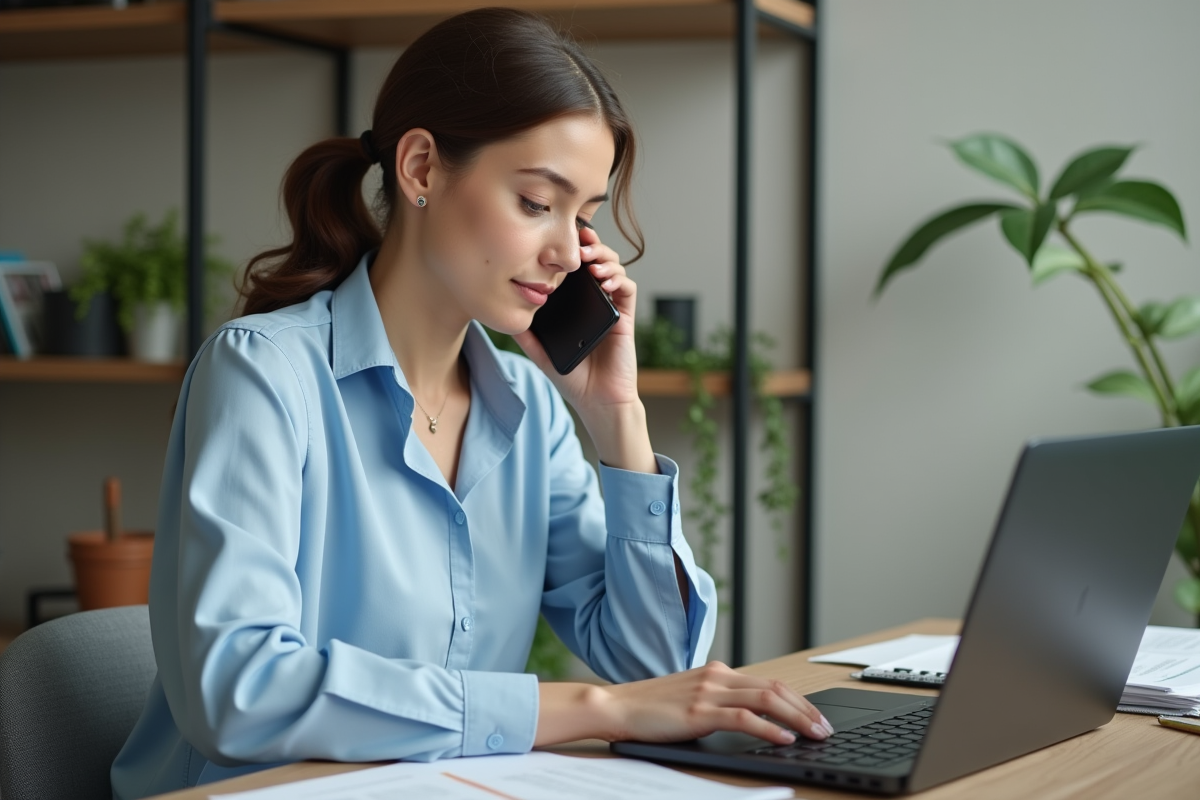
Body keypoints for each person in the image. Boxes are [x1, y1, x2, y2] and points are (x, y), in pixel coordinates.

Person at [111, 8, 832, 799]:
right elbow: (238, 692)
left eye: (584, 217)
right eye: (536, 202)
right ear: (420, 168)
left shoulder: (525, 400)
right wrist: (591, 707)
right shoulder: (262, 374)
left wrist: (617, 417)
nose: (567, 253)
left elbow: (657, 668)